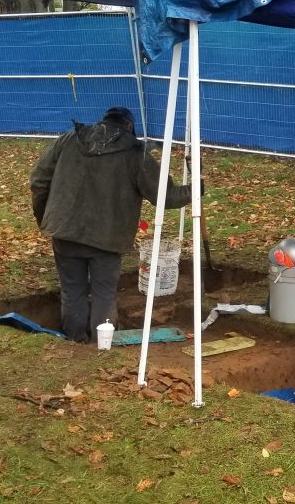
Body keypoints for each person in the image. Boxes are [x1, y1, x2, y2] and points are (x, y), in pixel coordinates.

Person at [30, 106, 192, 343]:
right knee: (103, 294)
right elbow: (165, 196)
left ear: (102, 122)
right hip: (107, 239)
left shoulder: (68, 140)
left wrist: (45, 218)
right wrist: (195, 190)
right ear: (129, 127)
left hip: (65, 232)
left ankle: (75, 344)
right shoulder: (135, 153)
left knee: (72, 291)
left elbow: (38, 181)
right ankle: (101, 348)